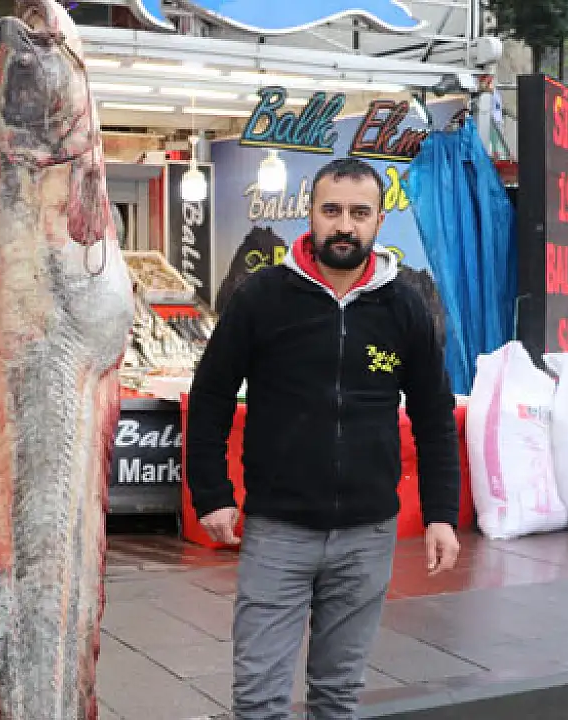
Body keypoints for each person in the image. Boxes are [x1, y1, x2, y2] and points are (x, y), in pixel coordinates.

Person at [184, 157, 462, 720]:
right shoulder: (262, 297)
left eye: (359, 213)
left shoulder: (403, 305)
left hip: (368, 533)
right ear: (309, 214)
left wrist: (441, 514)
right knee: (258, 700)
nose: (344, 225)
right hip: (278, 530)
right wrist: (211, 493)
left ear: (378, 221)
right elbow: (211, 395)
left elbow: (434, 416)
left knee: (338, 697)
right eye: (331, 210)